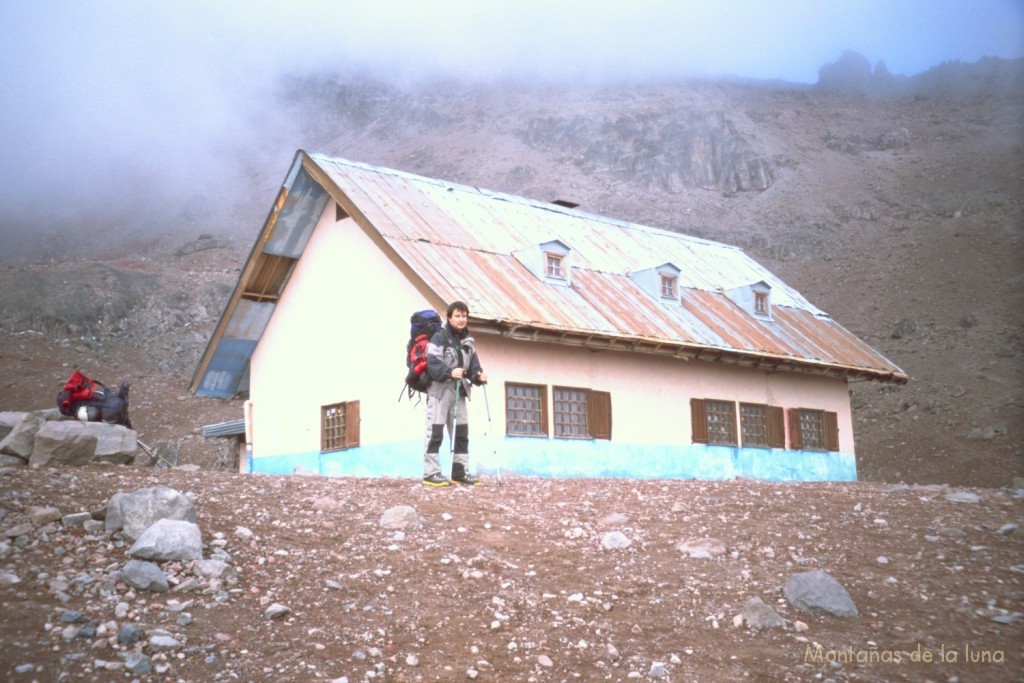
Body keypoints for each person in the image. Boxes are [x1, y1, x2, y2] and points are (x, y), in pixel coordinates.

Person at [422, 301, 487, 486]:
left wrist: (479, 376)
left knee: (461, 432)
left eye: (464, 316)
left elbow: (473, 368)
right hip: (439, 390)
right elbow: (432, 363)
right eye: (457, 316)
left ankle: (459, 472)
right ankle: (431, 473)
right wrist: (448, 373)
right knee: (435, 431)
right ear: (449, 318)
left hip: (460, 391)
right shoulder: (438, 338)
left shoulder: (468, 342)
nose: (461, 319)